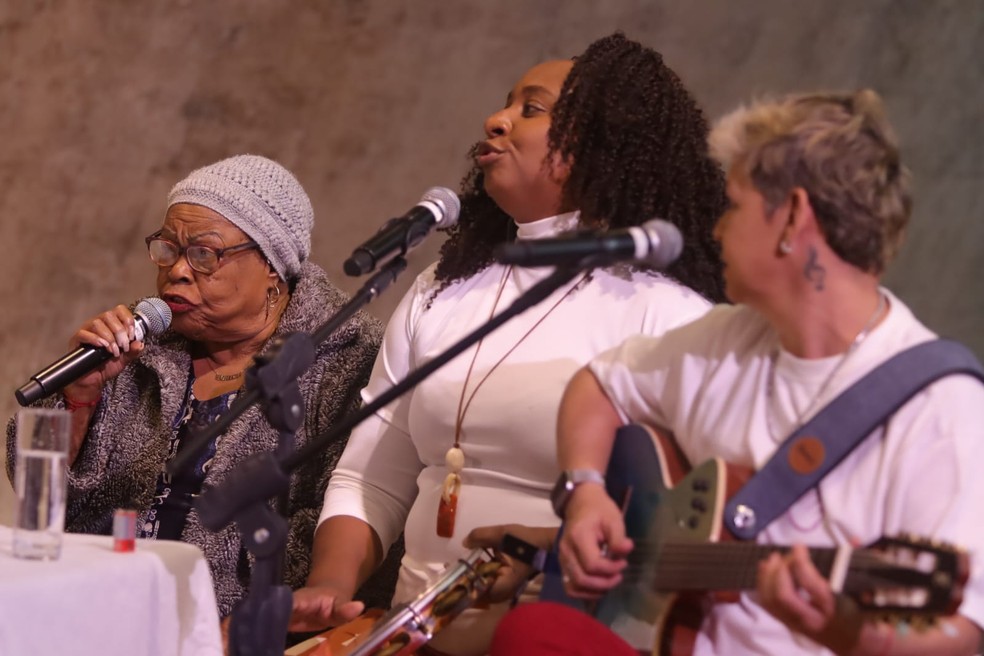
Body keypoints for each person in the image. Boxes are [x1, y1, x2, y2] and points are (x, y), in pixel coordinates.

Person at [289, 32, 728, 655]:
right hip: (412, 634)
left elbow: (678, 521)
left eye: (531, 108)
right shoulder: (445, 284)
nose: (496, 121)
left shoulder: (664, 311)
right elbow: (372, 470)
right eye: (505, 103)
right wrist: (331, 587)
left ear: (601, 141)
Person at [544, 90, 984, 654]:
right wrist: (584, 490)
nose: (716, 230)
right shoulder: (726, 339)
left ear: (793, 216)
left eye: (734, 205)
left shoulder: (941, 407)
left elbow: (959, 634)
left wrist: (844, 633)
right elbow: (598, 385)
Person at [5, 154, 385, 621]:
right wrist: (81, 397)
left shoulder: (347, 357)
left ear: (271, 266)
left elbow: (359, 506)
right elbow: (32, 480)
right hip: (89, 606)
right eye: (168, 249)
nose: (177, 271)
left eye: (204, 254)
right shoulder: (139, 339)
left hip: (236, 628)